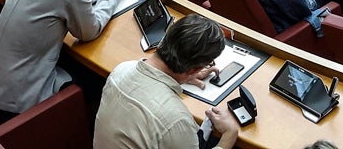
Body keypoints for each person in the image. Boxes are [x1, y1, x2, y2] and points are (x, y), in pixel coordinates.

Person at [94, 13, 239, 149]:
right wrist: (229, 135)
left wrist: (185, 75)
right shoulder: (176, 120)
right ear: (193, 69)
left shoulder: (121, 69)